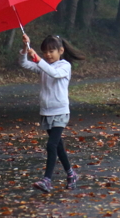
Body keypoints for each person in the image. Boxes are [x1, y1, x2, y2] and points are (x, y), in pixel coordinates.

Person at [20, 33, 86, 193]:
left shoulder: (64, 66)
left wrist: (39, 60)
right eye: (45, 52)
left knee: (51, 145)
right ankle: (71, 174)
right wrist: (25, 48)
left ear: (61, 51)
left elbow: (53, 73)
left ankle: (47, 180)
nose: (48, 55)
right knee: (58, 147)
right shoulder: (43, 65)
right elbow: (24, 64)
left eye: (51, 51)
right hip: (46, 111)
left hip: (60, 112)